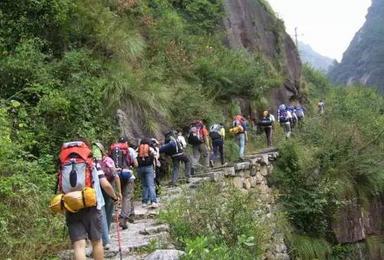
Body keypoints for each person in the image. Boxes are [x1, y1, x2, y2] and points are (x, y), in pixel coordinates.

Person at [57, 141, 119, 260]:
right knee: (96, 242)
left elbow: (61, 188)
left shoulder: (64, 164)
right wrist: (114, 196)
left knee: (79, 245)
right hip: (92, 206)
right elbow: (105, 184)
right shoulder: (92, 163)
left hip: (72, 206)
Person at [93, 142, 122, 250]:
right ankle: (106, 237)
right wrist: (118, 192)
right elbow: (116, 176)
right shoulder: (108, 160)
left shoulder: (91, 162)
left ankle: (105, 237)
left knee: (101, 212)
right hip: (108, 186)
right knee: (108, 213)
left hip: (96, 187)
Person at [110, 137, 138, 229]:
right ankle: (123, 219)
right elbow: (136, 164)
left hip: (116, 175)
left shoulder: (114, 150)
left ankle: (131, 214)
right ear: (126, 143)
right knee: (127, 196)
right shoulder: (130, 150)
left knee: (122, 195)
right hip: (127, 174)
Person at [137, 138, 159, 208]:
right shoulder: (150, 148)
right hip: (149, 167)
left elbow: (134, 157)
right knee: (151, 185)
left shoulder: (138, 149)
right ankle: (153, 201)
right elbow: (156, 157)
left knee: (144, 186)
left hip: (140, 168)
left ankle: (144, 202)